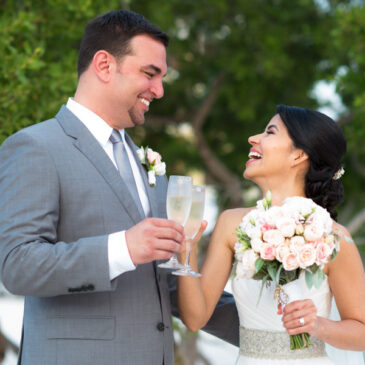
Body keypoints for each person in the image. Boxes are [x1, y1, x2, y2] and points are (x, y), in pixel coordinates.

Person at [0, 10, 239, 365]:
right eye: (150, 74)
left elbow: (164, 284)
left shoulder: (145, 162)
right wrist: (122, 248)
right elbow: (17, 265)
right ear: (104, 65)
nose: (159, 90)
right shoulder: (36, 146)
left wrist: (271, 328)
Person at [177, 105, 365, 364]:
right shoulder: (231, 224)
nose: (253, 139)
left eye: (270, 132)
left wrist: (320, 326)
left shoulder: (333, 237)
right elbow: (195, 318)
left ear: (298, 155)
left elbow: (361, 331)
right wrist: (185, 250)